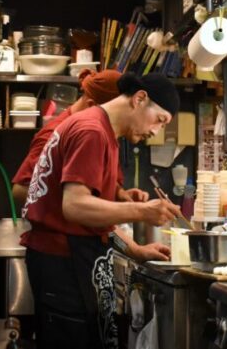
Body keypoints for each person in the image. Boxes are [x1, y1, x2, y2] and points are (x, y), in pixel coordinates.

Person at [21, 72, 183, 349]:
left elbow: (95, 219)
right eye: (160, 120)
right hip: (64, 266)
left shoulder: (103, 131)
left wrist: (136, 250)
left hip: (74, 260)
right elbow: (75, 208)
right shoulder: (92, 131)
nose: (157, 131)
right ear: (140, 99)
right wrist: (142, 211)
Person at [12, 69, 144, 205]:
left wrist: (118, 193)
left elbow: (97, 176)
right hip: (65, 226)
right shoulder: (54, 134)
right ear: (93, 106)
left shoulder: (104, 132)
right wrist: (74, 205)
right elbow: (21, 190)